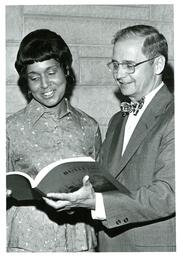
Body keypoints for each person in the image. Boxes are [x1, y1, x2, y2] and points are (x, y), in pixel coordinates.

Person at [44, 25, 175, 252]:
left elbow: (169, 194)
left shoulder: (174, 115)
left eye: (129, 65)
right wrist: (72, 195)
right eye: (115, 64)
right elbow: (103, 182)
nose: (119, 74)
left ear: (158, 64)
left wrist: (97, 202)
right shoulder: (118, 119)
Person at [6, 29, 102, 252]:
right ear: (26, 82)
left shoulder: (89, 126)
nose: (44, 84)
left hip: (80, 243)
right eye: (34, 77)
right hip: (27, 243)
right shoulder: (10, 128)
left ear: (66, 70)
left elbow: (101, 188)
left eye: (51, 72)